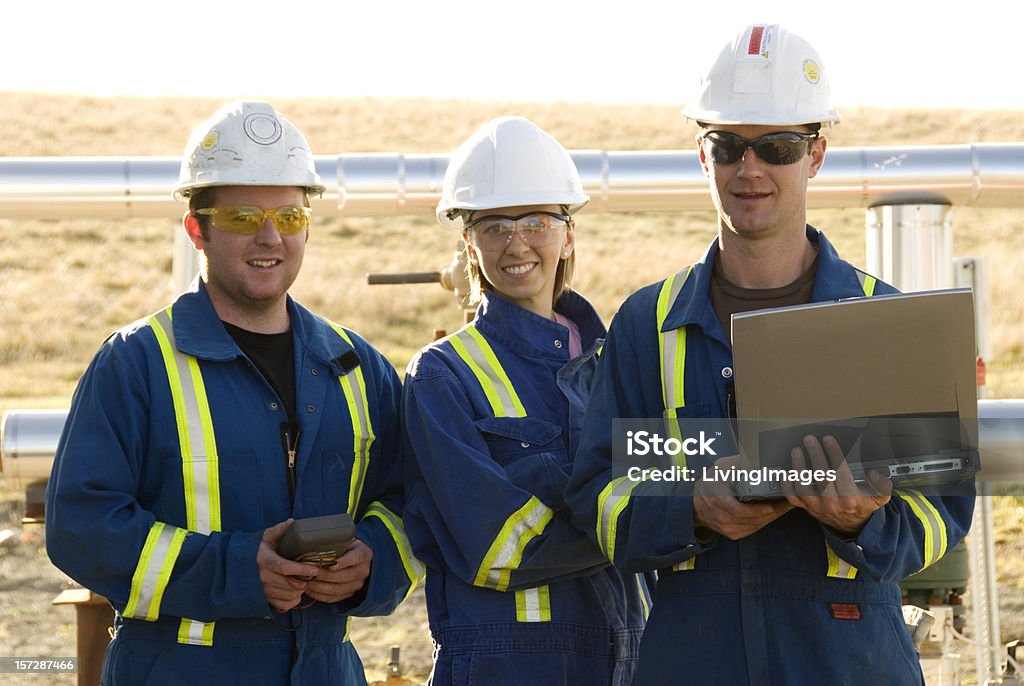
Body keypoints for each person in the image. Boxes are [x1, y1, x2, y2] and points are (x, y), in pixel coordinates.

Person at [565, 24, 975, 685]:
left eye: (776, 146)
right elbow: (599, 500)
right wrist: (692, 507)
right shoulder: (650, 325)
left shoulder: (888, 318)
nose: (749, 168)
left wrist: (863, 523)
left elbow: (944, 511)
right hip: (694, 654)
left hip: (846, 653)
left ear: (815, 155)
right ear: (703, 155)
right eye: (728, 145)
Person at [45, 100, 420, 685]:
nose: (270, 236)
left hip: (325, 669)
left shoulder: (356, 366)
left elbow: (409, 501)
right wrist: (235, 570)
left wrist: (371, 559)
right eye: (244, 217)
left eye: (290, 218)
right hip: (179, 669)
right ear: (198, 229)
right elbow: (81, 525)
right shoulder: (136, 364)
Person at [402, 116, 648, 685]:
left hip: (633, 656)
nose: (516, 243)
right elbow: (497, 547)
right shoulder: (441, 378)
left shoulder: (622, 365)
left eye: (536, 221)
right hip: (509, 664)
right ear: (468, 243)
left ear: (568, 232)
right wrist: (650, 527)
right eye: (493, 225)